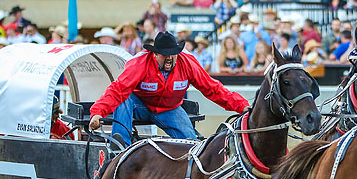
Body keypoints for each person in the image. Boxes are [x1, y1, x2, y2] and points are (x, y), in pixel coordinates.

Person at [88, 31, 249, 146]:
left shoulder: (187, 63)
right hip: (140, 106)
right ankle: (119, 148)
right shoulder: (140, 63)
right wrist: (97, 112)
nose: (170, 58)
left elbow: (213, 88)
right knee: (124, 98)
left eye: (173, 54)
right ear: (155, 54)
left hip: (170, 108)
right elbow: (117, 89)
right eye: (165, 54)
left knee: (191, 144)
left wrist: (242, 106)